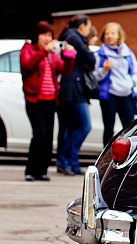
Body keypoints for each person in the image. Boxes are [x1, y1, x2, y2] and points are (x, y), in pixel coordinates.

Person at [20, 22, 77, 181]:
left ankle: (42, 171)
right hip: (34, 98)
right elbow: (28, 65)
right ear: (36, 36)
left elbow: (64, 69)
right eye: (44, 35)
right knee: (39, 134)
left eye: (50, 36)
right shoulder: (28, 50)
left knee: (49, 137)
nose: (47, 39)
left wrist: (69, 56)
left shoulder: (52, 54)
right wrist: (43, 51)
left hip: (51, 99)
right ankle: (30, 171)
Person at [56, 14, 96, 176]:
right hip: (74, 88)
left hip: (71, 87)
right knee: (84, 126)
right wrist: (87, 51)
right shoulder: (74, 37)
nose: (88, 30)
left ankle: (70, 162)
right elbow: (90, 59)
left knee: (70, 127)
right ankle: (65, 159)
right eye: (88, 26)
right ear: (82, 26)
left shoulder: (68, 35)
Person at [93, 22, 137, 145]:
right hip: (109, 96)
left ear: (119, 35)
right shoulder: (101, 54)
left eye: (113, 33)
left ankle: (130, 157)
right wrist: (104, 70)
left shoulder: (127, 52)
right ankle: (106, 159)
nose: (110, 36)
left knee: (130, 128)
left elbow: (135, 71)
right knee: (109, 128)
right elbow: (94, 76)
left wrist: (133, 85)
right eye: (107, 33)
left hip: (126, 94)